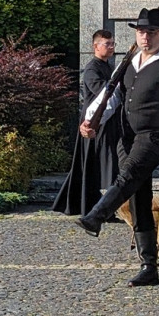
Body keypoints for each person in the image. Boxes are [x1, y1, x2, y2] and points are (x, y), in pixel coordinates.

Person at [76, 5, 159, 287]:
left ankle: (96, 216)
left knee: (126, 177)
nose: (145, 37)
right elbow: (111, 97)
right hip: (128, 137)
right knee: (139, 199)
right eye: (141, 32)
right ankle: (149, 266)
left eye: (151, 32)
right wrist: (92, 120)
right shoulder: (129, 63)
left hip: (154, 137)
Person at [52, 29, 121, 216]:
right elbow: (102, 92)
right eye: (107, 44)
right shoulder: (92, 68)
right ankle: (99, 206)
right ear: (95, 46)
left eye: (113, 43)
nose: (111, 47)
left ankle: (105, 205)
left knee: (107, 162)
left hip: (108, 121)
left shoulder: (108, 66)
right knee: (100, 163)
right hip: (94, 122)